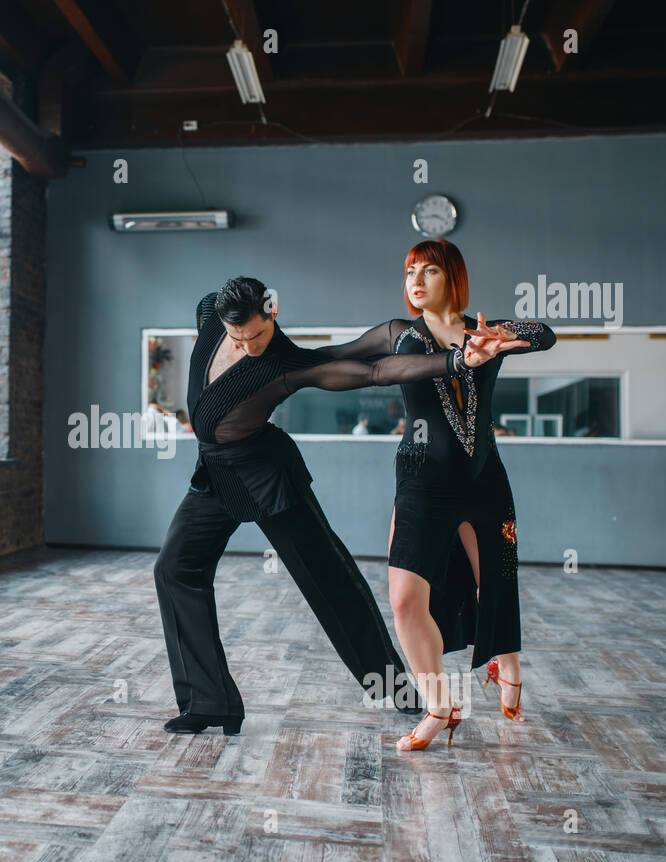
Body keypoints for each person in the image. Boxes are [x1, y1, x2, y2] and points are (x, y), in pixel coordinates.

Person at [153, 276, 530, 734]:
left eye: (257, 334)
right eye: (240, 337)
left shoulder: (285, 364)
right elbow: (208, 300)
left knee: (329, 580)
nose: (250, 345)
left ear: (273, 313)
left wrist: (453, 361)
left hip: (267, 476)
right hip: (213, 475)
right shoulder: (213, 316)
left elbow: (374, 371)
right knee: (174, 569)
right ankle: (209, 702)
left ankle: (399, 689)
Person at [314, 240, 556, 750]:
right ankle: (439, 706)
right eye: (408, 273)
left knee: (497, 582)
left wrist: (503, 335)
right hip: (423, 479)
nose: (415, 281)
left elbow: (546, 334)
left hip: (485, 478)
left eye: (428, 270)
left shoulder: (483, 330)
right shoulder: (400, 334)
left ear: (454, 276)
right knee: (404, 601)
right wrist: (276, 360)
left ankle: (506, 662)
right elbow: (335, 356)